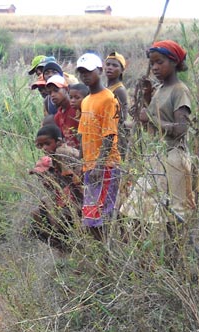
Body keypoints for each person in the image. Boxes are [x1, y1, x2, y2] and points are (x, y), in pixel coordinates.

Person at [126, 40, 196, 256]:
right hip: (157, 157)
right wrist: (145, 100)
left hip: (175, 157)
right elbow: (155, 119)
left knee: (176, 213)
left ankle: (177, 260)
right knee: (134, 207)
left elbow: (181, 129)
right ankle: (146, 259)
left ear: (174, 62)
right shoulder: (160, 90)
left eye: (160, 62)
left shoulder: (179, 91)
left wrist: (151, 118)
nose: (155, 67)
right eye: (152, 63)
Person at [76, 53, 121, 242]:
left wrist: (100, 165)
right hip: (90, 166)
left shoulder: (108, 99)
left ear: (100, 71)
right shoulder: (86, 100)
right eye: (81, 72)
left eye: (89, 71)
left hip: (105, 166)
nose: (85, 76)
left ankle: (110, 258)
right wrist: (82, 162)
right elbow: (82, 134)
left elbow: (109, 135)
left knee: (102, 217)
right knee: (90, 218)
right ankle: (102, 259)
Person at [30, 124, 82, 248]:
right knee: (42, 211)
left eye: (47, 144)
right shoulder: (55, 156)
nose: (44, 148)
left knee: (55, 216)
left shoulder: (61, 152)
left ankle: (66, 247)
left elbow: (75, 182)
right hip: (76, 195)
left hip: (84, 196)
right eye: (41, 146)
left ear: (58, 141)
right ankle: (63, 246)